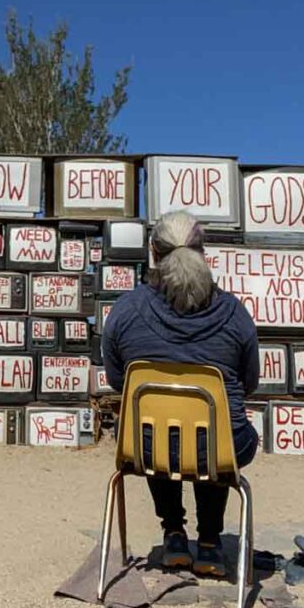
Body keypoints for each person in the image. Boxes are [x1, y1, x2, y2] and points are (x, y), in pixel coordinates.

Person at [101, 210, 259, 577]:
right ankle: (209, 543)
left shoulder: (125, 311)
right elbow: (248, 384)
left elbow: (116, 381)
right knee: (216, 432)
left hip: (144, 448)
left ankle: (173, 533)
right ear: (203, 253)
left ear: (153, 253)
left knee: (157, 429)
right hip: (223, 449)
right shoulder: (235, 314)